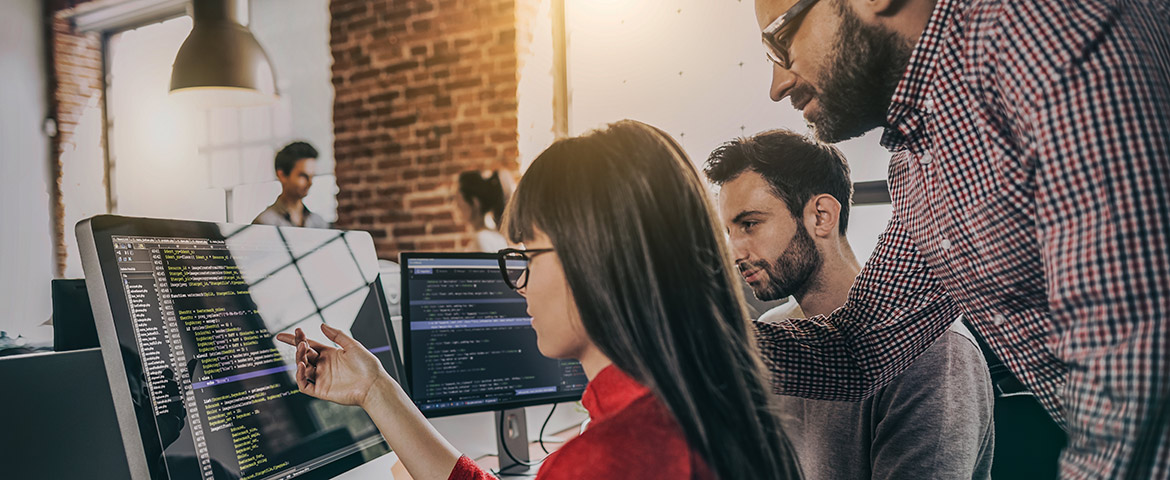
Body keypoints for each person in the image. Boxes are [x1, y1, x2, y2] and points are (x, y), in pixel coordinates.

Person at [749, 0, 1170, 477]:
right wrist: (685, 340)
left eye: (781, 42)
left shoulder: (1047, 34)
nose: (777, 86)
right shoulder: (918, 162)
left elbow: (1142, 389)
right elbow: (861, 348)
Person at [276, 120, 802, 480]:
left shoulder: (607, 458)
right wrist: (375, 390)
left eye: (528, 253)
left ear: (595, 258)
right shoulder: (718, 408)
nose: (520, 282)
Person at [706, 129, 994, 479]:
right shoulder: (774, 329)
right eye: (729, 232)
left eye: (750, 224)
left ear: (821, 216)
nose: (734, 251)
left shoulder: (934, 349)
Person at [253, 141, 329, 228]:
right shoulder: (264, 223)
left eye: (312, 176)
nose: (310, 183)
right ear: (282, 175)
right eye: (303, 176)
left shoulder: (319, 223)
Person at [455, 170, 512, 252]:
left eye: (458, 199)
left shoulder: (482, 239)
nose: (456, 205)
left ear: (475, 202)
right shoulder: (493, 237)